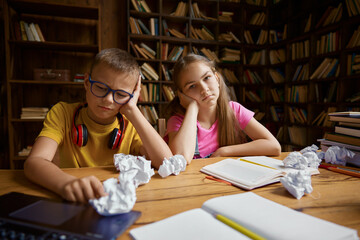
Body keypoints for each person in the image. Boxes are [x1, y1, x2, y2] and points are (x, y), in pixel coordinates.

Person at [24, 48, 172, 203]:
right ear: (87, 82)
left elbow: (167, 163)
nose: (108, 100)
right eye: (101, 88)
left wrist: (132, 110)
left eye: (121, 94)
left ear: (132, 96)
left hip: (115, 200)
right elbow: (34, 162)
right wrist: (66, 183)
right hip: (73, 199)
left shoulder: (131, 124)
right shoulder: (62, 113)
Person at [165, 54, 281, 164]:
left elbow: (274, 146)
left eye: (206, 78)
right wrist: (192, 108)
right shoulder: (178, 121)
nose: (204, 89)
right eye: (192, 86)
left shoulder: (234, 110)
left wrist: (224, 151)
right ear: (182, 95)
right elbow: (180, 159)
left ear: (217, 78)